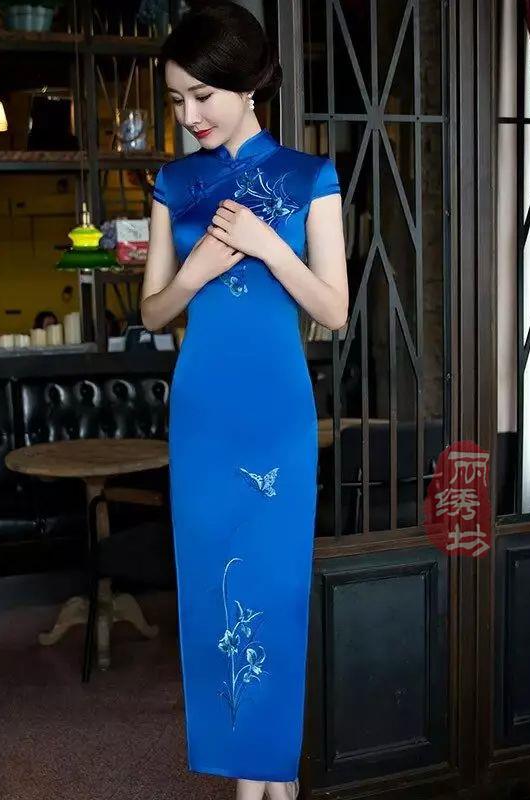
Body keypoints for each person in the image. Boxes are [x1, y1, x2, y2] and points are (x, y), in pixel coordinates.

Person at [140, 3, 348, 799]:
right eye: (176, 100)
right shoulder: (174, 183)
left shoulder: (309, 177)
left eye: (202, 96)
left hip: (275, 417)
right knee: (210, 589)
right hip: (203, 416)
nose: (188, 115)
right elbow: (153, 313)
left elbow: (333, 310)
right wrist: (193, 274)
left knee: (274, 588)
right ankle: (251, 781)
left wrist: (267, 247)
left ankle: (271, 776)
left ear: (247, 85)